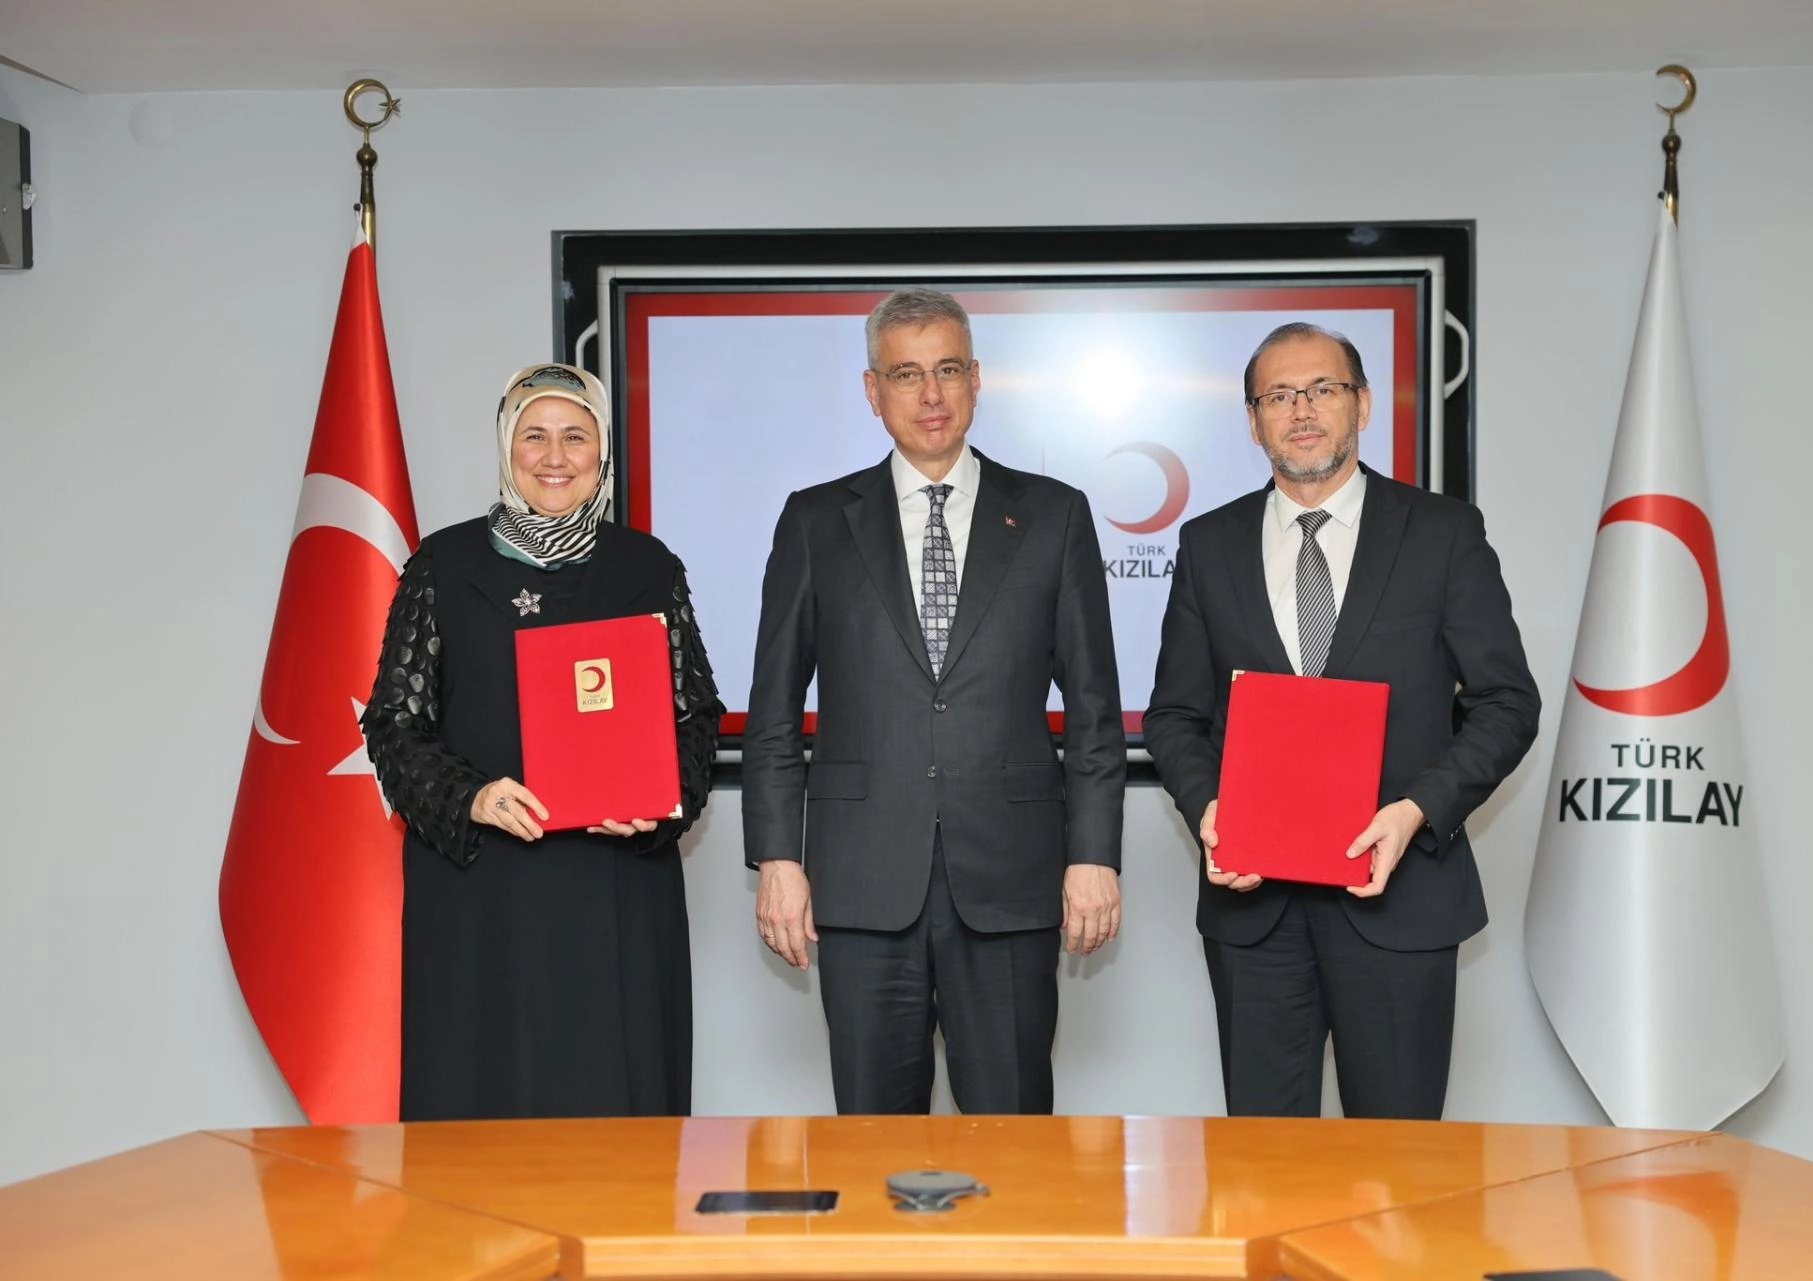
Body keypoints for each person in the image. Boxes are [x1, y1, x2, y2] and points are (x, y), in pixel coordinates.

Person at [742, 287, 1126, 1116]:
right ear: (872, 390)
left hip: (1012, 879)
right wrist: (777, 858)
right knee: (872, 1138)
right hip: (861, 881)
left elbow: (1095, 707)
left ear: (977, 380)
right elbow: (772, 712)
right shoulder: (815, 521)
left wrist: (1094, 854)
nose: (931, 394)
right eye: (906, 374)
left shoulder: (1054, 515)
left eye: (948, 369)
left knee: (1013, 1137)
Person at [1142, 323, 1539, 1120]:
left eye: (1322, 389)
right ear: (1253, 420)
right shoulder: (1208, 544)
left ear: (1362, 404)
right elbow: (1175, 716)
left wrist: (1416, 810)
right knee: (1263, 1167)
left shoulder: (1443, 533)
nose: (1302, 410)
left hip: (1400, 899)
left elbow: (1507, 702)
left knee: (1396, 1168)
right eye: (1278, 395)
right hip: (1256, 916)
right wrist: (1213, 811)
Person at [362, 362, 722, 1121]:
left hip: (618, 890)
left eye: (575, 436)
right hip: (484, 895)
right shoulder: (444, 565)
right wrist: (473, 797)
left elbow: (695, 716)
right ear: (506, 447)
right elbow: (394, 723)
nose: (555, 457)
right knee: (484, 1108)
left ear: (602, 452)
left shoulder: (647, 566)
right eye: (534, 435)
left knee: (618, 1112)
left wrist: (661, 801)